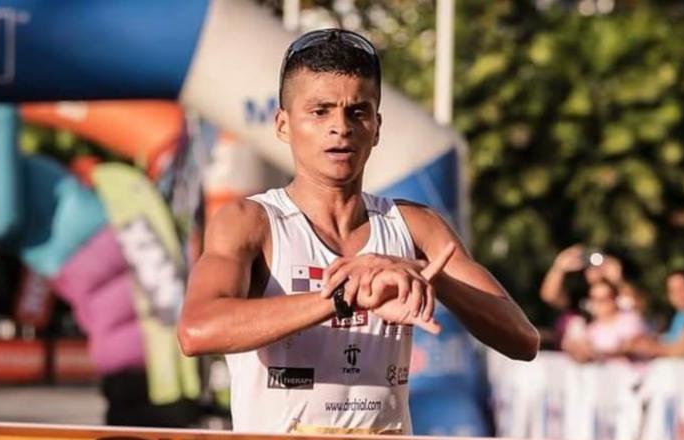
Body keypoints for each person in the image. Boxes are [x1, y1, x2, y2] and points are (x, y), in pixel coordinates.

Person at [177, 28, 539, 434]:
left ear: (377, 127)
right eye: (320, 111)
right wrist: (343, 297)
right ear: (282, 125)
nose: (341, 128)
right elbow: (197, 330)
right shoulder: (251, 221)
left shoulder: (415, 226)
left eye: (357, 112)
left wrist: (415, 271)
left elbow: (522, 340)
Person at [539, 244, 627, 347]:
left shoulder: (619, 293)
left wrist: (618, 280)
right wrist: (559, 267)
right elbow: (549, 297)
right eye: (590, 267)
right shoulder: (578, 296)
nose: (595, 270)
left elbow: (636, 306)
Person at [561, 280, 646, 363]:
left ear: (614, 299)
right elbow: (572, 347)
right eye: (594, 298)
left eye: (603, 299)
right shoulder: (584, 324)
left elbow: (634, 346)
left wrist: (600, 351)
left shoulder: (629, 319)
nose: (598, 303)